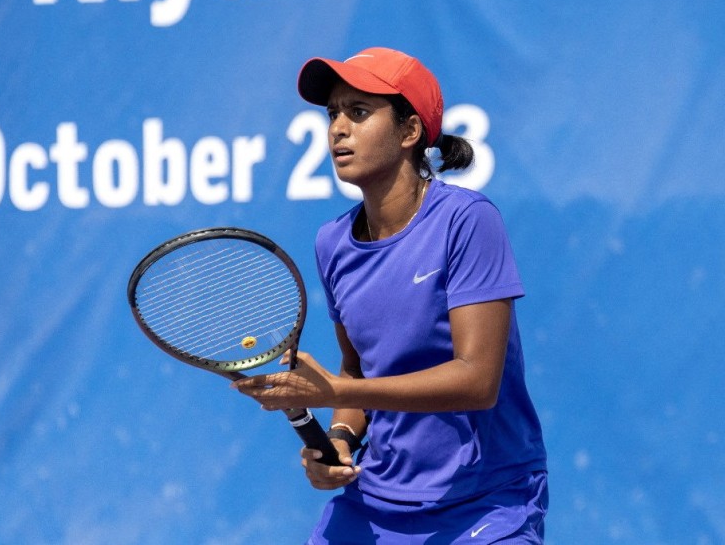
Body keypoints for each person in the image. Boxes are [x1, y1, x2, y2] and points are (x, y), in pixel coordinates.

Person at [233, 47, 548, 543]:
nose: (338, 129)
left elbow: (477, 380)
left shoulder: (467, 221)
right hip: (377, 500)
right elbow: (358, 369)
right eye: (333, 114)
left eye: (358, 112)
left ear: (409, 131)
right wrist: (340, 438)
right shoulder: (332, 243)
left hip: (485, 502)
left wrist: (335, 393)